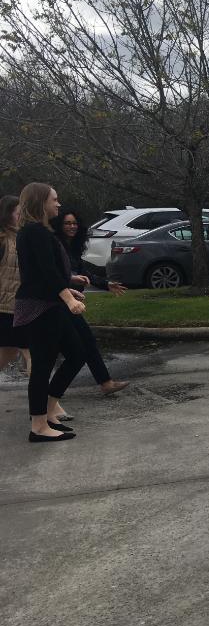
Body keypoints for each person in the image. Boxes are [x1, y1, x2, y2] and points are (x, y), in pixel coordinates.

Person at [14, 183, 86, 442]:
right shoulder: (34, 232)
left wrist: (67, 289)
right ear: (41, 202)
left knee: (77, 354)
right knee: (42, 365)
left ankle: (49, 409)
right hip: (40, 307)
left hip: (49, 303)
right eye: (54, 199)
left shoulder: (38, 231)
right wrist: (69, 299)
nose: (58, 203)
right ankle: (38, 426)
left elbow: (45, 273)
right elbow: (46, 270)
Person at [51, 207, 129, 396]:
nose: (72, 227)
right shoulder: (55, 245)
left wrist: (106, 284)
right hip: (59, 302)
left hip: (70, 303)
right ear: (59, 226)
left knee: (82, 344)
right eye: (67, 223)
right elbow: (53, 274)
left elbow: (84, 273)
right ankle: (48, 393)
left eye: (74, 223)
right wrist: (71, 281)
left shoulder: (72, 247)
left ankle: (105, 383)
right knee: (76, 348)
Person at [0, 195, 30, 377]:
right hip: (5, 307)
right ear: (8, 214)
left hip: (19, 305)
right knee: (31, 351)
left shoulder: (20, 237)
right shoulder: (3, 240)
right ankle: (43, 394)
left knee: (9, 352)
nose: (22, 216)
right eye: (19, 213)